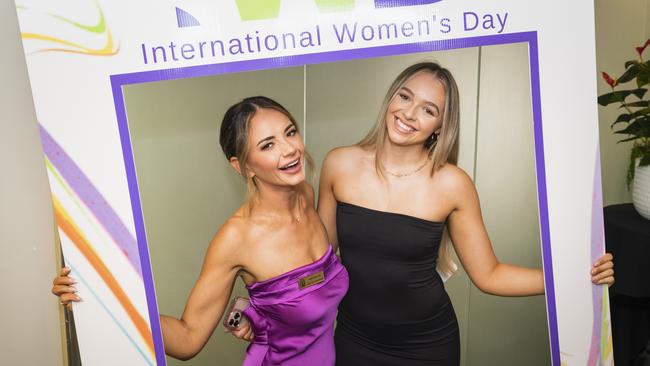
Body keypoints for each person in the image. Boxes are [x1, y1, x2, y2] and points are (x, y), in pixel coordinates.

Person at [314, 62, 614, 365]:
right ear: (391, 98)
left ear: (441, 125)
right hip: (354, 339)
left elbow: (490, 275)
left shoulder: (452, 184)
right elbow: (316, 262)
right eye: (405, 97)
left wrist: (572, 278)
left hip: (426, 346)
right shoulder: (340, 164)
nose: (408, 113)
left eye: (428, 110)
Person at [52, 96, 349, 365]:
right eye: (268, 145)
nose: (290, 149)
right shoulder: (236, 239)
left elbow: (310, 281)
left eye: (290, 132)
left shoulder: (306, 194)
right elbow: (188, 337)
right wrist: (107, 297)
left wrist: (257, 311)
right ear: (242, 166)